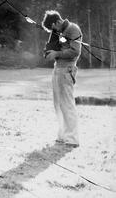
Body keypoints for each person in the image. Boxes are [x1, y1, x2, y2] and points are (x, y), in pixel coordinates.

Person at [42, 10, 82, 148]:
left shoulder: (73, 29)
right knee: (58, 104)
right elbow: (53, 47)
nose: (53, 31)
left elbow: (75, 51)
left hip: (67, 69)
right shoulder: (58, 31)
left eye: (53, 28)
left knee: (67, 104)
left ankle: (72, 139)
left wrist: (57, 53)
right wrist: (49, 52)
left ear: (57, 22)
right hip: (57, 68)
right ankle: (62, 135)